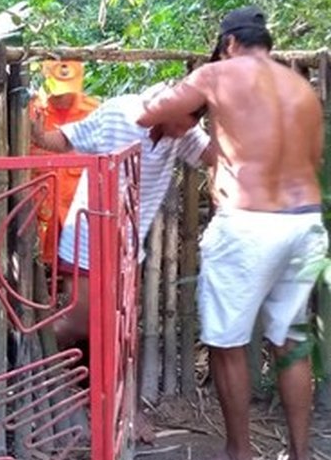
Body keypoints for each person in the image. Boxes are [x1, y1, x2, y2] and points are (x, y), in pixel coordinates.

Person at [136, 6, 328, 460]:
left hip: (248, 227)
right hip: (305, 224)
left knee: (226, 344)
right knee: (290, 340)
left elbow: (149, 113)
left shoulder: (217, 72)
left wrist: (184, 112)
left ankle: (239, 457)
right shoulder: (300, 88)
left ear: (228, 43)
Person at [31, 83, 213, 351]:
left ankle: (85, 388)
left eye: (195, 121)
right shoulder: (120, 111)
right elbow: (70, 139)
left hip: (127, 246)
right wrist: (38, 135)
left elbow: (216, 157)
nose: (187, 129)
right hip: (87, 238)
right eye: (187, 120)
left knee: (111, 328)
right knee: (80, 323)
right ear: (170, 106)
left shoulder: (185, 133)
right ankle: (28, 358)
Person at [30, 60, 100, 267]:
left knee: (78, 269)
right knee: (36, 269)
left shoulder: (95, 112)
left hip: (81, 216)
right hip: (39, 213)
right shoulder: (33, 112)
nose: (63, 96)